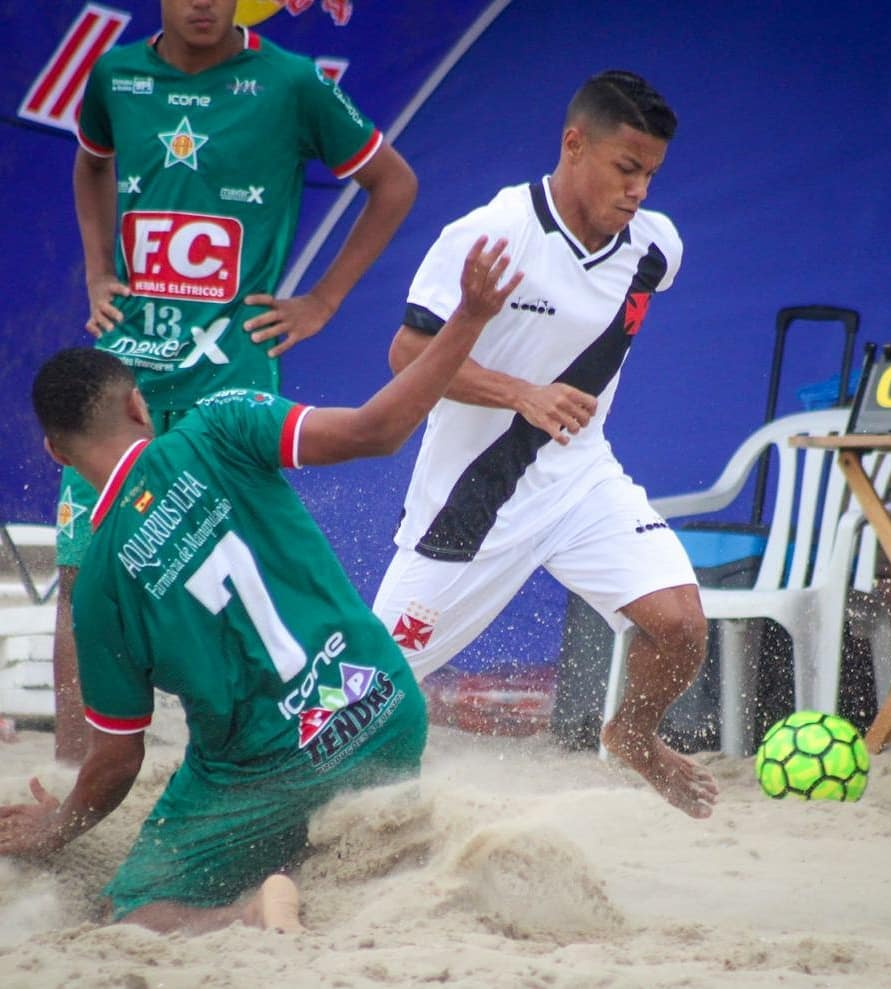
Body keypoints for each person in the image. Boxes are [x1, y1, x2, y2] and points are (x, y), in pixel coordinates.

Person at [0, 238, 521, 934]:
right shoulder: (221, 422)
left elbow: (117, 761)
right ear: (138, 405)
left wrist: (60, 824)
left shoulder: (97, 588)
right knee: (310, 823)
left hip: (270, 773)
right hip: (384, 713)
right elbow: (376, 431)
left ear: (55, 453)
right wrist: (469, 319)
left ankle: (250, 915)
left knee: (128, 908)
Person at [54, 0, 418, 763]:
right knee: (83, 572)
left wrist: (322, 301)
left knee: (249, 572)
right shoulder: (116, 73)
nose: (203, 3)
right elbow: (90, 163)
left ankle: (276, 755)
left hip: (229, 380)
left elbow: (394, 183)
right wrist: (95, 269)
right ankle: (71, 776)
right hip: (127, 378)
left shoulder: (291, 81)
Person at [372, 70, 718, 819]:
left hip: (581, 481)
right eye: (626, 168)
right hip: (471, 504)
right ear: (574, 144)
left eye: (651, 174)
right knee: (362, 699)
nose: (638, 190)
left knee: (681, 626)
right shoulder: (491, 235)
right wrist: (520, 392)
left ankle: (631, 735)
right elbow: (407, 354)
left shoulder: (655, 248)